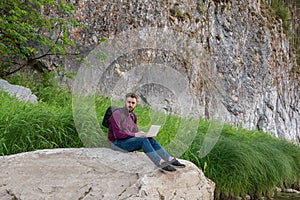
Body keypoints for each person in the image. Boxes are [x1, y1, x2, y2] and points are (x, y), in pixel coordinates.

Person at [108, 92, 185, 172]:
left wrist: (143, 134)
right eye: (129, 102)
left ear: (136, 104)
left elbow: (134, 132)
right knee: (143, 140)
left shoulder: (133, 116)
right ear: (125, 102)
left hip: (126, 141)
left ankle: (168, 158)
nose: (130, 105)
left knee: (149, 139)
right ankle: (159, 162)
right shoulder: (117, 114)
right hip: (116, 143)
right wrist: (135, 134)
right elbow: (117, 135)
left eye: (133, 103)